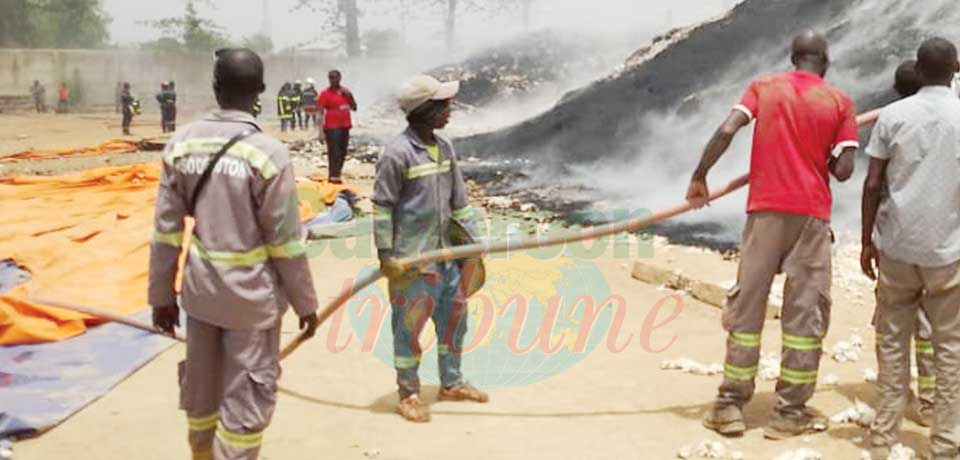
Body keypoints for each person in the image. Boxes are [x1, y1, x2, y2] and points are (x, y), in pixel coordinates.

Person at [149, 47, 319, 460]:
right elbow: (285, 243)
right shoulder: (269, 154)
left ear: (215, 87)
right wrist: (306, 303)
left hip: (200, 297)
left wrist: (161, 298)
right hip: (251, 304)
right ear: (260, 91)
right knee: (244, 409)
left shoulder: (182, 144)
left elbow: (166, 232)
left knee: (201, 399)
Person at [688, 30, 858, 439]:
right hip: (811, 218)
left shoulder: (764, 87)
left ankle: (729, 406)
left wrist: (700, 177)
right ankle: (788, 413)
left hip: (764, 212)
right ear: (825, 60)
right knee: (804, 315)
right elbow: (845, 170)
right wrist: (829, 152)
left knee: (746, 310)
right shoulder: (839, 102)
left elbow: (728, 129)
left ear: (794, 57)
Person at [861, 37, 960, 460]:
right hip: (948, 249)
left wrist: (866, 240)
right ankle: (945, 443)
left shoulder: (893, 115)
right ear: (955, 69)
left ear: (918, 70)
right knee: (950, 346)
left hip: (898, 247)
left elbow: (871, 183)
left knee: (891, 341)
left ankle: (883, 437)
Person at [373, 74, 487, 423]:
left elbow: (460, 202)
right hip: (413, 262)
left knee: (455, 320)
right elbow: (382, 208)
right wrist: (386, 256)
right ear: (424, 111)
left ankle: (450, 382)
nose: (449, 110)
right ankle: (408, 393)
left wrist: (474, 243)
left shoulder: (445, 148)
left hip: (447, 256)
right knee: (408, 330)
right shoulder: (397, 154)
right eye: (442, 105)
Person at [318, 70, 357, 184]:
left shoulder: (346, 92)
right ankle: (333, 176)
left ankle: (337, 174)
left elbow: (354, 107)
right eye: (330, 78)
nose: (333, 80)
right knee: (334, 152)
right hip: (332, 128)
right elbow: (320, 113)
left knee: (343, 151)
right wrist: (320, 132)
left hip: (345, 126)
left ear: (340, 78)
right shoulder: (325, 94)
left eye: (335, 77)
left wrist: (350, 96)